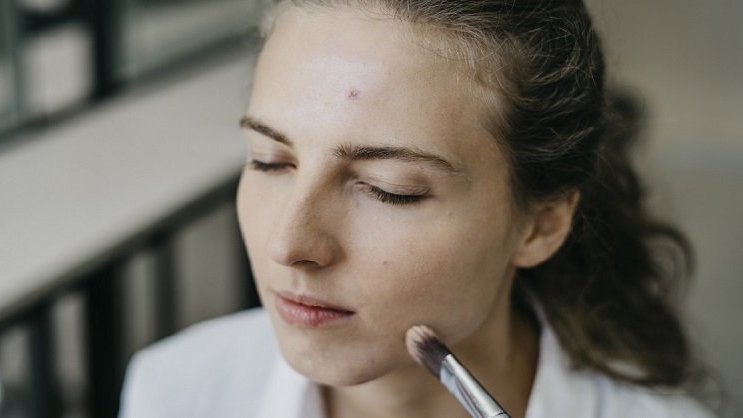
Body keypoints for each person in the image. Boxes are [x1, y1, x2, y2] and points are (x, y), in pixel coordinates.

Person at [120, 1, 717, 417]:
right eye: (270, 161)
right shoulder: (178, 392)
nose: (289, 244)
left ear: (541, 223)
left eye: (390, 189)